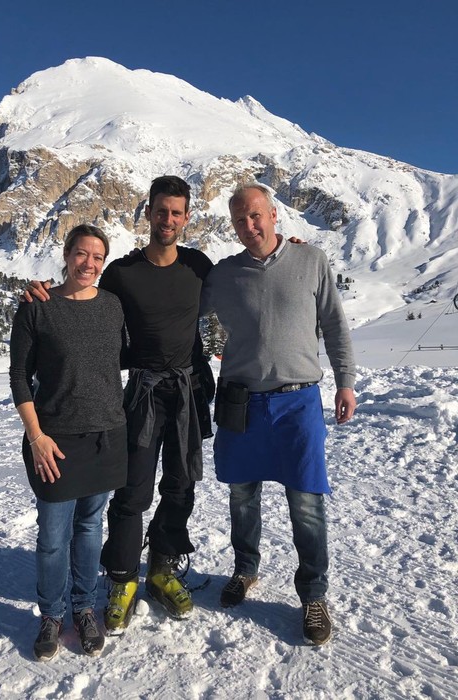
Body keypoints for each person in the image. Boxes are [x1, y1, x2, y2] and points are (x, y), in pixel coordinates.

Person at [24, 176, 215, 633]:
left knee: (181, 484)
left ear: (187, 218)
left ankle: (164, 567)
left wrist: (284, 248)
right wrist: (40, 296)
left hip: (188, 391)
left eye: (176, 212)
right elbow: (83, 298)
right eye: (160, 210)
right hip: (143, 394)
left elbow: (249, 278)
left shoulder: (199, 266)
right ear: (147, 212)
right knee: (132, 491)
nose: (167, 219)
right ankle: (123, 577)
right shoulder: (122, 273)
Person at [200, 183, 356, 646]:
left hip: (298, 400)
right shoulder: (223, 275)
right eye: (239, 220)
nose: (249, 226)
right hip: (241, 401)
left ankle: (313, 594)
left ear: (273, 214)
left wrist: (345, 381)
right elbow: (175, 305)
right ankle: (245, 569)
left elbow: (334, 323)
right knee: (241, 495)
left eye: (255, 215)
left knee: (306, 501)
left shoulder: (311, 260)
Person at [10, 224, 127, 661]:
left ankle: (83, 608)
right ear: (66, 254)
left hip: (105, 436)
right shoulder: (38, 307)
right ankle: (51, 614)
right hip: (54, 442)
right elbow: (19, 376)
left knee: (90, 528)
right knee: (53, 537)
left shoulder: (112, 306)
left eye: (97, 257)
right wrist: (36, 436)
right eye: (81, 254)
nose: (89, 264)